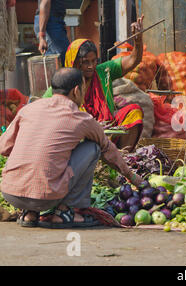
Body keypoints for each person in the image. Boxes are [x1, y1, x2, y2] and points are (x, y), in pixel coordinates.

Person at [0, 68, 145, 229]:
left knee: (42, 153)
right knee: (93, 148)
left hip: (10, 193)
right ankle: (64, 213)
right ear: (76, 91)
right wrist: (132, 177)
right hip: (47, 197)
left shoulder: (29, 109)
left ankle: (29, 214)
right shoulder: (80, 118)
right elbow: (108, 150)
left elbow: (4, 147)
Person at [43, 16, 146, 152]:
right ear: (74, 63)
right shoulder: (62, 83)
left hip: (107, 131)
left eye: (94, 61)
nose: (91, 66)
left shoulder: (103, 71)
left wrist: (138, 41)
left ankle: (122, 157)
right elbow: (42, 110)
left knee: (134, 111)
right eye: (86, 62)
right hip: (78, 136)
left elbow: (133, 60)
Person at [34, 0, 70, 65]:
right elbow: (45, 3)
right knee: (63, 64)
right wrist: (42, 35)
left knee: (64, 62)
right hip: (50, 24)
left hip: (55, 22)